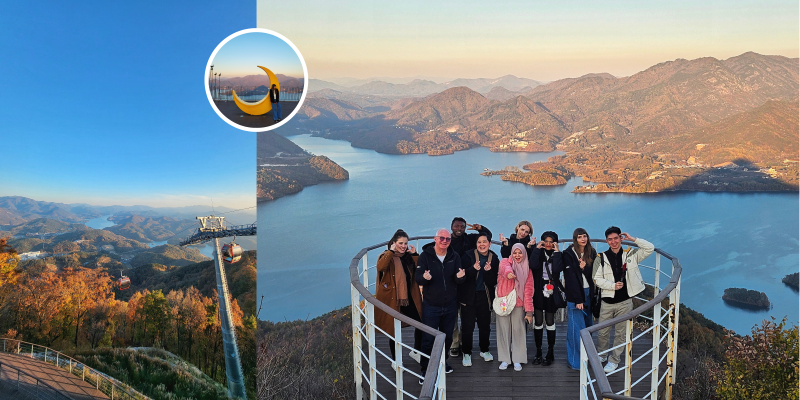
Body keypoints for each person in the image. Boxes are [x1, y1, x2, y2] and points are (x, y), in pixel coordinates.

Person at [424, 217, 491, 358]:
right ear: (451, 227)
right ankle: (455, 343)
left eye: (462, 227)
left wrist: (481, 228)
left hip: (466, 280)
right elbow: (430, 249)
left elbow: (486, 238)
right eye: (457, 226)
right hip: (451, 281)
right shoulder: (447, 241)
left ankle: (462, 342)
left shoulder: (469, 239)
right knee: (452, 315)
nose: (459, 229)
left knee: (465, 315)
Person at [593, 227, 654, 373]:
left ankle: (614, 360)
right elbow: (596, 279)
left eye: (616, 238)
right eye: (610, 239)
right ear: (607, 241)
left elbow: (649, 248)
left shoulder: (631, 254)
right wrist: (612, 286)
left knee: (620, 333)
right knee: (602, 332)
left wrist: (633, 239)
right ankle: (601, 355)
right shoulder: (600, 258)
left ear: (621, 238)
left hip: (625, 301)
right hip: (607, 302)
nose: (613, 242)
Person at [416, 229, 466, 383]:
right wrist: (424, 278)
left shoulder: (454, 256)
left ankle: (443, 363)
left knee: (448, 337)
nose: (445, 241)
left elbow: (459, 279)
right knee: (428, 339)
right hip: (431, 305)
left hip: (450, 305)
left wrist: (460, 277)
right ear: (435, 239)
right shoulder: (425, 256)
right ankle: (425, 369)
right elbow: (418, 278)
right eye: (442, 238)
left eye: (447, 239)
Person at [374, 229, 423, 363]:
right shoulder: (387, 256)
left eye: (405, 243)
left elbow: (419, 269)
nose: (403, 246)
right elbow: (380, 267)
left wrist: (414, 254)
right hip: (393, 299)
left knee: (421, 323)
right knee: (394, 330)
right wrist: (390, 251)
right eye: (400, 243)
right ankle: (396, 361)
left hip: (408, 298)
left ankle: (416, 351)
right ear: (394, 243)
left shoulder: (406, 257)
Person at [457, 233, 499, 367]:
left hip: (485, 297)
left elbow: (493, 282)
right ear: (476, 244)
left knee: (484, 326)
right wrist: (472, 270)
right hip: (469, 296)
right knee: (467, 327)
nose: (482, 244)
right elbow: (461, 278)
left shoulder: (494, 258)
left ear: (489, 243)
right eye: (479, 242)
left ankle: (484, 350)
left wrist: (488, 272)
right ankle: (466, 352)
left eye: (484, 242)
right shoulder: (467, 256)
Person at [495, 243, 534, 371]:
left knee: (518, 331)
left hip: (519, 304)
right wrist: (509, 273)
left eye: (520, 252)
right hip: (504, 302)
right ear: (511, 253)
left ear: (524, 253)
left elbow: (528, 292)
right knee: (503, 330)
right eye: (515, 252)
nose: (517, 255)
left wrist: (529, 312)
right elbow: (504, 269)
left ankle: (518, 359)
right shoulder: (505, 262)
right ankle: (505, 359)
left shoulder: (527, 269)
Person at [563, 228, 597, 370]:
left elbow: (594, 274)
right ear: (575, 239)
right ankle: (575, 362)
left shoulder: (591, 252)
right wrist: (577, 300)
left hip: (589, 292)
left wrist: (585, 268)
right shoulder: (569, 254)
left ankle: (586, 357)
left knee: (588, 326)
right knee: (576, 329)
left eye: (585, 236)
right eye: (579, 237)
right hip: (575, 295)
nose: (583, 239)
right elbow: (570, 278)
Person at [528, 231, 564, 366]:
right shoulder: (538, 253)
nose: (548, 244)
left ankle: (550, 351)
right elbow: (533, 265)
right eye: (546, 241)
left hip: (551, 289)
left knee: (549, 320)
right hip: (538, 289)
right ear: (542, 242)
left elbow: (557, 268)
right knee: (537, 321)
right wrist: (537, 250)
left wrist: (557, 253)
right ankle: (538, 351)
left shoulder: (558, 255)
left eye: (551, 241)